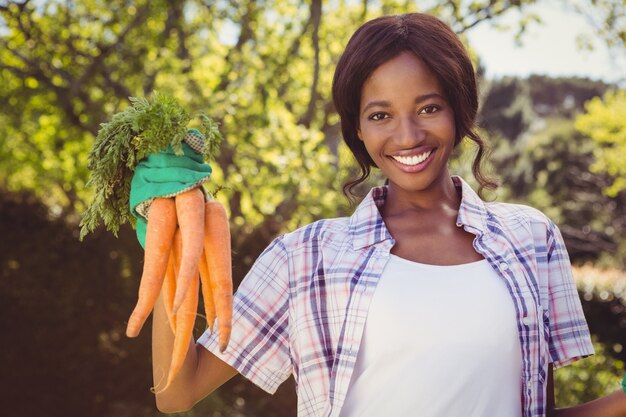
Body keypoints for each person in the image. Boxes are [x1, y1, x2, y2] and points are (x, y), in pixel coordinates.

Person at [151, 12, 626, 417]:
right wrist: (170, 242)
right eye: (380, 115)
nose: (407, 136)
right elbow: (178, 391)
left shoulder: (531, 237)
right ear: (357, 128)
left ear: (460, 111)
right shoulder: (305, 257)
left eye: (428, 108)